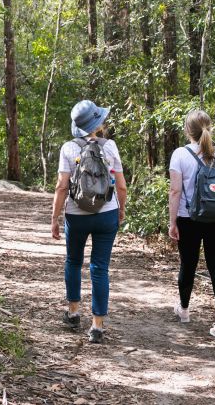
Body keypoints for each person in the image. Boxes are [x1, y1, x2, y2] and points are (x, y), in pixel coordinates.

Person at [50, 100, 128, 344]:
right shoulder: (110, 146)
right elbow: (122, 185)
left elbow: (62, 186)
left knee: (73, 261)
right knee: (100, 267)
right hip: (106, 214)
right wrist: (121, 209)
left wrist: (55, 217)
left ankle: (73, 313)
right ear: (97, 123)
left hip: (77, 214)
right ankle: (97, 326)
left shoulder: (68, 148)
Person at [168, 109, 215, 340]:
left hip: (190, 219)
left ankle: (184, 311)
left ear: (188, 131)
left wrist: (172, 221)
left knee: (188, 264)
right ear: (210, 127)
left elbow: (175, 191)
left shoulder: (180, 154)